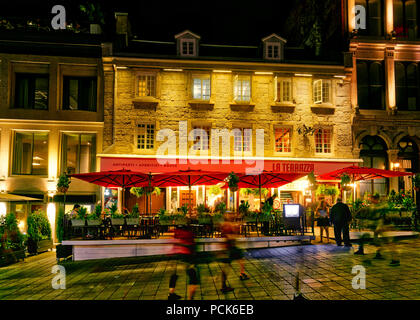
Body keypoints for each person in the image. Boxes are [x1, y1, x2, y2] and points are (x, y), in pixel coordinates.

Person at [218, 213, 249, 293]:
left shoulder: (226, 224)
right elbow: (228, 236)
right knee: (227, 267)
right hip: (229, 248)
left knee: (238, 260)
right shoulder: (227, 225)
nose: (231, 216)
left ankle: (242, 273)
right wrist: (236, 236)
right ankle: (224, 286)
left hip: (230, 248)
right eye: (229, 215)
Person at [168, 224, 200, 300]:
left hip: (175, 255)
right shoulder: (189, 234)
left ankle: (171, 294)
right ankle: (190, 298)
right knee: (193, 277)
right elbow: (192, 246)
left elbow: (173, 243)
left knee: (174, 275)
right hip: (185, 256)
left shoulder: (176, 233)